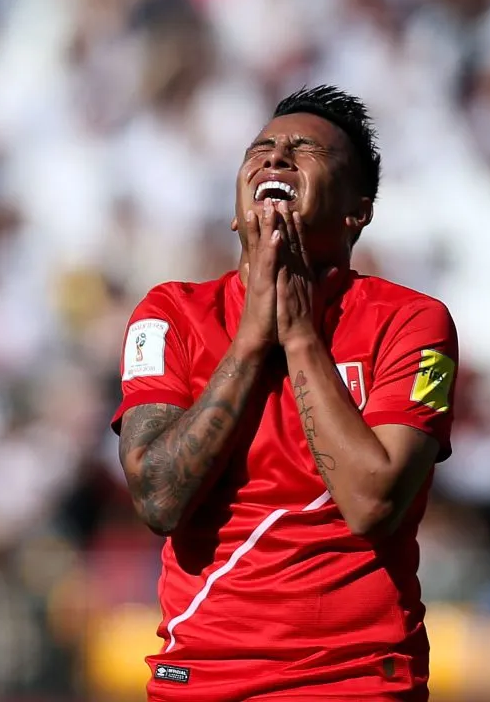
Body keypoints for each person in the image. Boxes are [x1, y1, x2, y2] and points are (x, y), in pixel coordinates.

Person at [113, 85, 459, 702]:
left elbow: (372, 504)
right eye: (262, 149)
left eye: (305, 150)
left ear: (358, 208)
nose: (275, 159)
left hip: (353, 680)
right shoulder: (169, 315)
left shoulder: (414, 324)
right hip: (200, 677)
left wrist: (299, 336)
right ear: (234, 208)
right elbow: (158, 499)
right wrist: (250, 341)